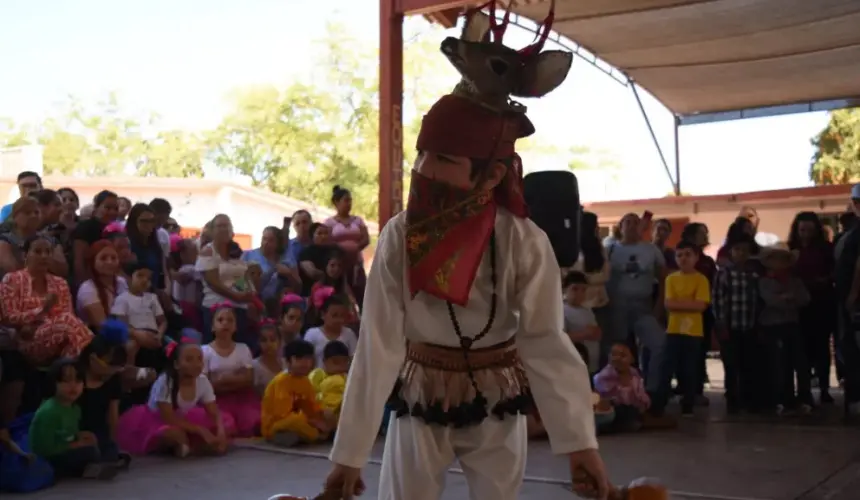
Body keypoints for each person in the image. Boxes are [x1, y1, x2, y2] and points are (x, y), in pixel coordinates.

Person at [322, 11, 607, 497]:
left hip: (499, 393)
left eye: (445, 160)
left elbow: (544, 341)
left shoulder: (522, 240)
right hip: (422, 392)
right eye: (423, 155)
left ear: (491, 177)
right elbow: (379, 344)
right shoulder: (398, 235)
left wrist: (581, 446)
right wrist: (349, 456)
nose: (426, 170)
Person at [116, 336, 233, 456]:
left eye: (199, 359)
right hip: (158, 420)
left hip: (185, 417)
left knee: (226, 425)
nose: (196, 364)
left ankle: (192, 446)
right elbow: (168, 418)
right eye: (189, 360)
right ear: (177, 364)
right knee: (174, 435)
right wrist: (200, 430)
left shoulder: (202, 380)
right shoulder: (165, 381)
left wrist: (221, 431)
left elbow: (213, 411)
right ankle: (181, 445)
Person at [0, 235, 92, 365]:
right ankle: (93, 359)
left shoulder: (60, 283)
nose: (44, 256)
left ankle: (67, 369)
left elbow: (68, 314)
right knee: (68, 322)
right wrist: (42, 310)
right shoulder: (12, 280)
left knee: (72, 338)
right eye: (38, 252)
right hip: (27, 341)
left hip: (61, 337)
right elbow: (8, 317)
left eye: (48, 252)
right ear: (25, 255)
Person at [605, 212, 666, 396]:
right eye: (627, 222)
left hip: (643, 306)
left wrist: (659, 306)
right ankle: (619, 394)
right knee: (618, 352)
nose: (631, 226)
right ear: (620, 226)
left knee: (660, 345)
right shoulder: (610, 249)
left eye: (635, 222)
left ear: (641, 227)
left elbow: (663, 279)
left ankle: (651, 391)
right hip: (617, 307)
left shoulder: (651, 250)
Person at [29, 358, 119, 480]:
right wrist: (76, 444)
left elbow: (69, 434)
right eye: (66, 381)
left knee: (104, 444)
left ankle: (95, 465)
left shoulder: (75, 408)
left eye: (78, 381)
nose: (73, 386)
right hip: (50, 457)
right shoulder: (49, 411)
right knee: (88, 452)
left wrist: (80, 436)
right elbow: (44, 449)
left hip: (66, 447)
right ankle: (89, 469)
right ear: (53, 383)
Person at [788, 211, 837, 404]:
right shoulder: (790, 249)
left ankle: (824, 389)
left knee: (821, 348)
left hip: (821, 303)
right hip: (798, 305)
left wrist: (823, 280)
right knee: (801, 350)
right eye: (802, 230)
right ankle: (804, 390)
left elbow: (834, 272)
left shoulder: (826, 249)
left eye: (809, 230)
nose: (805, 234)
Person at [759, 245, 812, 415]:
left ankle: (803, 398)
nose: (779, 263)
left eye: (783, 259)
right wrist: (786, 298)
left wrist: (787, 298)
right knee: (779, 364)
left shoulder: (795, 281)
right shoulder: (764, 281)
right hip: (773, 326)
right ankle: (781, 399)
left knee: (799, 363)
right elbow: (771, 301)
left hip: (792, 324)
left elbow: (805, 298)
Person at [660, 240, 710, 417]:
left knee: (689, 368)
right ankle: (660, 404)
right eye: (679, 255)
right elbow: (668, 304)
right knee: (667, 366)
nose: (683, 258)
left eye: (688, 254)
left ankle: (688, 404)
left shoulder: (701, 279)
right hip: (673, 330)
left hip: (693, 331)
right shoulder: (671, 279)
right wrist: (689, 303)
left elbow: (701, 305)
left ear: (696, 257)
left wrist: (680, 304)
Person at [711, 234, 760, 414]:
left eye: (745, 251)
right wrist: (721, 322)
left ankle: (747, 398)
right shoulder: (723, 274)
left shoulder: (753, 274)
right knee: (731, 364)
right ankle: (732, 398)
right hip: (729, 326)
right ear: (731, 252)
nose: (741, 254)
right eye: (737, 250)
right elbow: (717, 299)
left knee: (748, 363)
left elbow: (756, 300)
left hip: (748, 325)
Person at [76, 320, 132, 469]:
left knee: (108, 452)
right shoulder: (76, 376)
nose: (112, 371)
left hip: (99, 432)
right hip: (73, 430)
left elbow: (112, 415)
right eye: (108, 365)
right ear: (93, 359)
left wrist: (112, 442)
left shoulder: (113, 381)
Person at [202, 302, 260, 437]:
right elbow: (207, 385)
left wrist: (224, 379)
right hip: (216, 401)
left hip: (243, 399)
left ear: (235, 327)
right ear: (212, 326)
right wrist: (237, 379)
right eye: (220, 320)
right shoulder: (205, 351)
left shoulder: (243, 348)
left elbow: (248, 380)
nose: (225, 323)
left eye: (230, 320)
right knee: (226, 425)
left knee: (254, 421)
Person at [197, 214, 253, 346]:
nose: (224, 229)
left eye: (226, 225)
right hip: (215, 307)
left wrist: (248, 293)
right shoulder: (208, 251)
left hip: (239, 308)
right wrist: (236, 296)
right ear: (212, 231)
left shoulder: (237, 252)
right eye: (219, 226)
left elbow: (240, 277)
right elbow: (213, 282)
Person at [261, 339, 329, 446]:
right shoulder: (281, 381)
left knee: (327, 414)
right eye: (298, 359)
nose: (304, 363)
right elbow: (283, 415)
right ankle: (316, 436)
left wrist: (319, 419)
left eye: (307, 359)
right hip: (277, 424)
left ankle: (311, 435)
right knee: (295, 422)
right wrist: (312, 423)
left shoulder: (305, 381)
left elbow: (313, 406)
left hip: (301, 421)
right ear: (288, 362)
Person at [111, 263, 167, 370]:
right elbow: (122, 324)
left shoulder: (152, 298)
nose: (145, 280)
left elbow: (163, 321)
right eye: (140, 275)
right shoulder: (123, 299)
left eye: (148, 278)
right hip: (134, 334)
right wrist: (139, 335)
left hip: (154, 334)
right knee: (131, 346)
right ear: (128, 278)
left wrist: (159, 334)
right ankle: (129, 373)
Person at [325, 185, 370, 308]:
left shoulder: (358, 220)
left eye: (350, 200)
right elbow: (327, 241)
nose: (349, 203)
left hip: (356, 262)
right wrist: (341, 251)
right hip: (339, 264)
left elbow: (366, 239)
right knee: (341, 293)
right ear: (336, 202)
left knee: (361, 292)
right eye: (346, 200)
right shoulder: (329, 223)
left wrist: (355, 248)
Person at [593, 343, 651, 431]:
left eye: (623, 355)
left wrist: (643, 403)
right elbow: (604, 398)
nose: (617, 358)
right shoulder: (604, 376)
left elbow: (640, 394)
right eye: (613, 355)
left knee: (634, 414)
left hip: (629, 409)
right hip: (611, 409)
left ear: (632, 359)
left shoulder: (634, 375)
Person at [243, 226, 300, 310]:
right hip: (252, 303)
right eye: (264, 239)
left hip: (278, 306)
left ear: (278, 244)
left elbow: (299, 287)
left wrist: (289, 275)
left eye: (271, 240)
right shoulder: (248, 255)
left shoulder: (286, 260)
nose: (266, 243)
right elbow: (238, 282)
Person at [71, 190, 119, 285]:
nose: (112, 212)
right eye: (107, 208)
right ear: (96, 207)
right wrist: (85, 284)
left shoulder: (116, 229)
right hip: (90, 283)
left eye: (116, 209)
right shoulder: (85, 227)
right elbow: (79, 261)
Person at [76, 240, 128, 329]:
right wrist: (136, 334)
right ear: (93, 262)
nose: (109, 262)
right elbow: (103, 326)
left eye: (113, 258)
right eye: (103, 258)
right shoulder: (87, 288)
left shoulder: (121, 282)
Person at [303, 294, 358, 368]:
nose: (339, 320)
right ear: (323, 315)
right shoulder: (312, 334)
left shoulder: (349, 334)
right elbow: (306, 361)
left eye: (342, 316)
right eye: (334, 315)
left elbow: (354, 361)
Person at [563, 271, 601, 373]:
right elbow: (560, 337)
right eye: (575, 289)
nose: (579, 293)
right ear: (565, 289)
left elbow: (595, 332)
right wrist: (584, 334)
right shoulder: (561, 310)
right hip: (573, 365)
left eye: (583, 290)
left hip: (591, 364)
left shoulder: (587, 310)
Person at [309, 340, 350, 426]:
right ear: (324, 361)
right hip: (321, 412)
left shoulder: (349, 377)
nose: (341, 366)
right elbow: (310, 397)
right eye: (336, 362)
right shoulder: (317, 375)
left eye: (345, 361)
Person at [297, 222, 338, 297]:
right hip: (310, 292)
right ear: (312, 236)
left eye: (326, 233)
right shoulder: (306, 252)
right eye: (319, 233)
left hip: (334, 291)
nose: (323, 236)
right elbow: (312, 272)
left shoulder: (334, 251)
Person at [252, 322, 286, 396]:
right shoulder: (254, 366)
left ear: (279, 342)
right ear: (258, 342)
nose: (268, 344)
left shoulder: (286, 363)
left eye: (272, 340)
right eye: (264, 340)